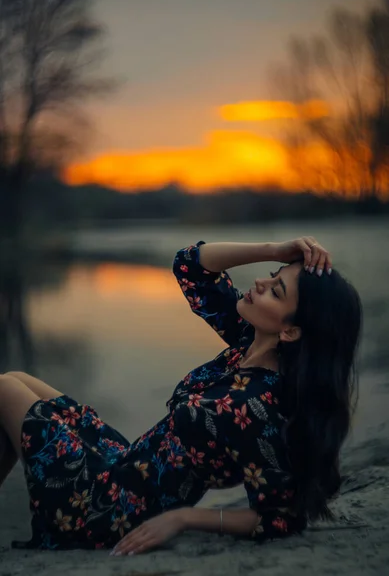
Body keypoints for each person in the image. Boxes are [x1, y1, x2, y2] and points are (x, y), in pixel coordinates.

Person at [0, 236, 362, 556]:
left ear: (291, 331)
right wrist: (274, 248)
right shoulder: (246, 341)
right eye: (272, 273)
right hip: (122, 464)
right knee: (16, 379)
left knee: (4, 388)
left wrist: (184, 519)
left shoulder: (254, 405)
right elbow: (189, 264)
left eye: (276, 290)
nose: (260, 282)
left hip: (108, 511)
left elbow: (281, 518)